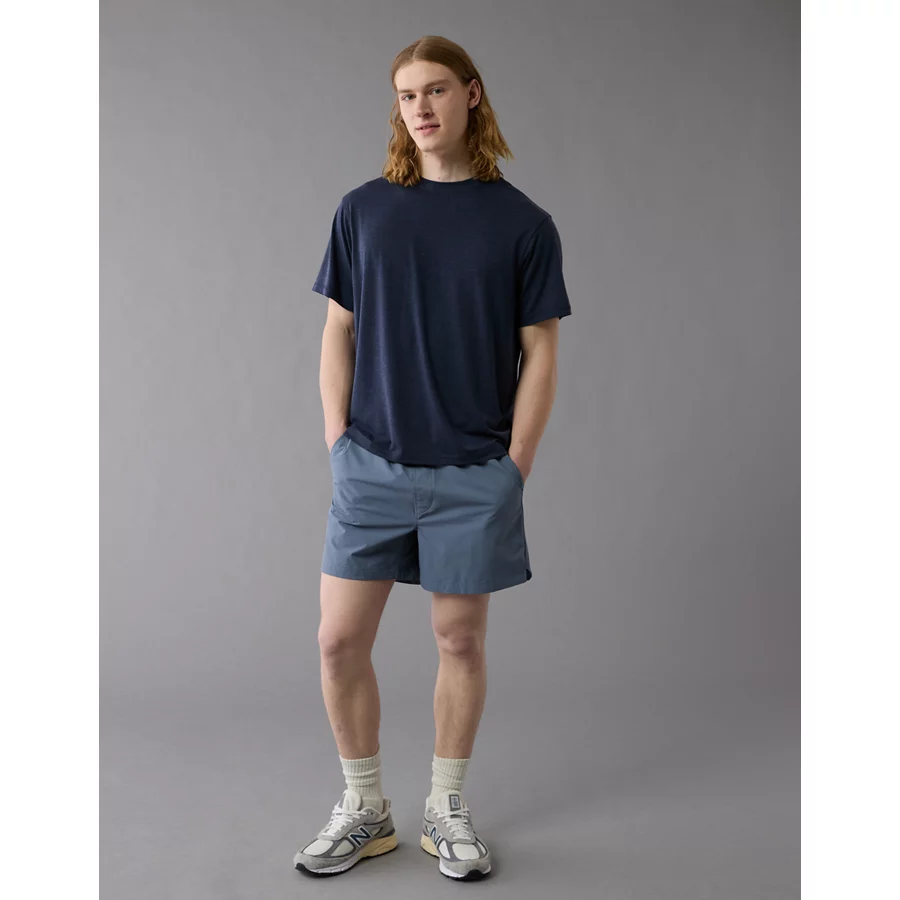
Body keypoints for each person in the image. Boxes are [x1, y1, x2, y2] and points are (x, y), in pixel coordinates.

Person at [294, 34, 572, 882]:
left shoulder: (523, 224)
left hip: (472, 473)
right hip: (371, 465)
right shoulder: (363, 210)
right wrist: (338, 438)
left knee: (459, 643)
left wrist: (515, 463)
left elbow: (541, 352)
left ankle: (445, 808)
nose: (420, 107)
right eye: (407, 94)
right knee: (338, 641)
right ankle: (365, 808)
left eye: (437, 90)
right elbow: (337, 330)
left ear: (472, 95)